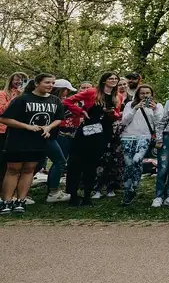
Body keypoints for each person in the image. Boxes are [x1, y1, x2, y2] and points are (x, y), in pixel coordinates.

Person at [0, 74, 66, 214]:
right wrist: (27, 126)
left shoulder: (55, 101)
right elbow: (5, 119)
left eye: (52, 83)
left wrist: (48, 127)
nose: (51, 85)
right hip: (18, 140)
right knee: (13, 169)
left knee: (29, 169)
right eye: (47, 82)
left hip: (39, 141)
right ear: (37, 83)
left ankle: (20, 200)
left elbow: (59, 118)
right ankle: (6, 201)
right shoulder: (22, 99)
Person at [63, 72, 123, 207]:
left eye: (115, 79)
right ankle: (73, 194)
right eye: (110, 78)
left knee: (93, 164)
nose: (113, 81)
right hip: (86, 130)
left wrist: (112, 113)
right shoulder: (92, 92)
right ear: (104, 81)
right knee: (76, 162)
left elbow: (117, 114)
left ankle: (87, 195)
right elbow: (67, 101)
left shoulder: (118, 96)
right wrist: (80, 111)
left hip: (104, 132)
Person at [120, 84, 163, 206]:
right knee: (128, 164)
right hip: (127, 136)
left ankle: (134, 186)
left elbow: (160, 123)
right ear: (138, 94)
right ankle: (128, 190)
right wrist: (135, 108)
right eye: (142, 93)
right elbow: (124, 121)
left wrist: (155, 110)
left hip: (144, 137)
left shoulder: (158, 106)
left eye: (147, 93)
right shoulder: (130, 104)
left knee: (137, 160)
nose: (145, 96)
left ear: (151, 94)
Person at [45, 79, 79, 204]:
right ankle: (53, 190)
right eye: (67, 90)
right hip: (61, 133)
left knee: (59, 161)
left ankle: (52, 188)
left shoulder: (58, 101)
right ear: (61, 90)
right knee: (59, 161)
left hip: (66, 133)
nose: (68, 92)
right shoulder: (57, 102)